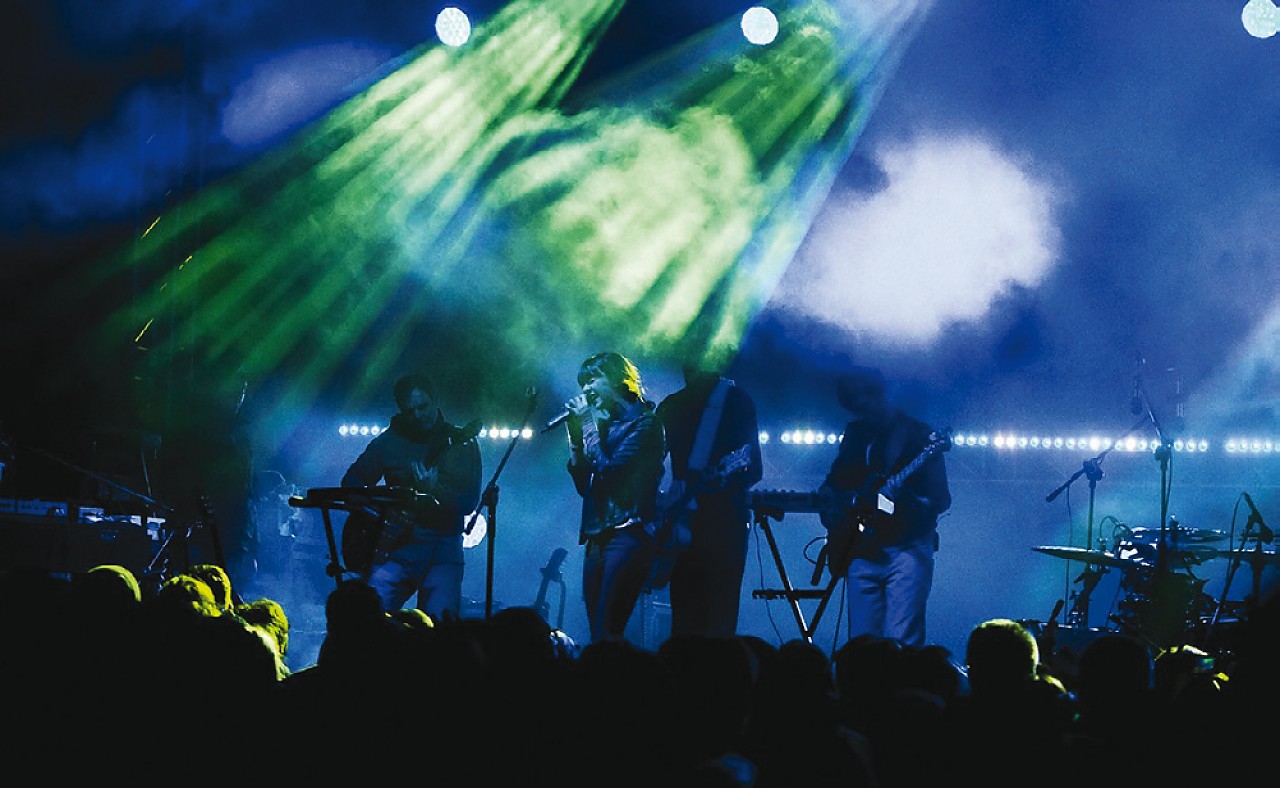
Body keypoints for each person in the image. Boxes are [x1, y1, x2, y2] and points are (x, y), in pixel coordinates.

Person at [818, 365, 950, 648]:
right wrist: (828, 503)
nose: (860, 414)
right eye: (854, 408)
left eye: (863, 405)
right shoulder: (855, 433)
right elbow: (835, 480)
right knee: (861, 644)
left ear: (879, 395)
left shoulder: (919, 436)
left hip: (907, 550)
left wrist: (908, 501)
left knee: (901, 642)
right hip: (861, 549)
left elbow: (940, 499)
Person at [341, 372, 482, 624]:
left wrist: (435, 489)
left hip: (443, 553)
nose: (417, 415)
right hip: (396, 552)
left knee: (439, 631)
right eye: (409, 411)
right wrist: (378, 518)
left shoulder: (462, 443)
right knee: (367, 621)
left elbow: (469, 502)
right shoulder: (388, 441)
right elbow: (352, 484)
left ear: (435, 400)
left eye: (422, 407)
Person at [560, 351, 667, 643]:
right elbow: (585, 486)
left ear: (619, 379)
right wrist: (575, 438)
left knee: (608, 628)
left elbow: (611, 469)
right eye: (582, 383)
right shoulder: (604, 427)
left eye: (592, 380)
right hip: (597, 536)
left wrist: (586, 422)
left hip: (629, 534)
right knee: (597, 630)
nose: (586, 389)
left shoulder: (646, 424)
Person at [655, 354, 763, 638]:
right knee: (714, 616)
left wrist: (662, 504)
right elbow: (754, 470)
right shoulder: (734, 401)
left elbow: (751, 465)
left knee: (692, 617)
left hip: (711, 523)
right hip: (703, 524)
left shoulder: (728, 401)